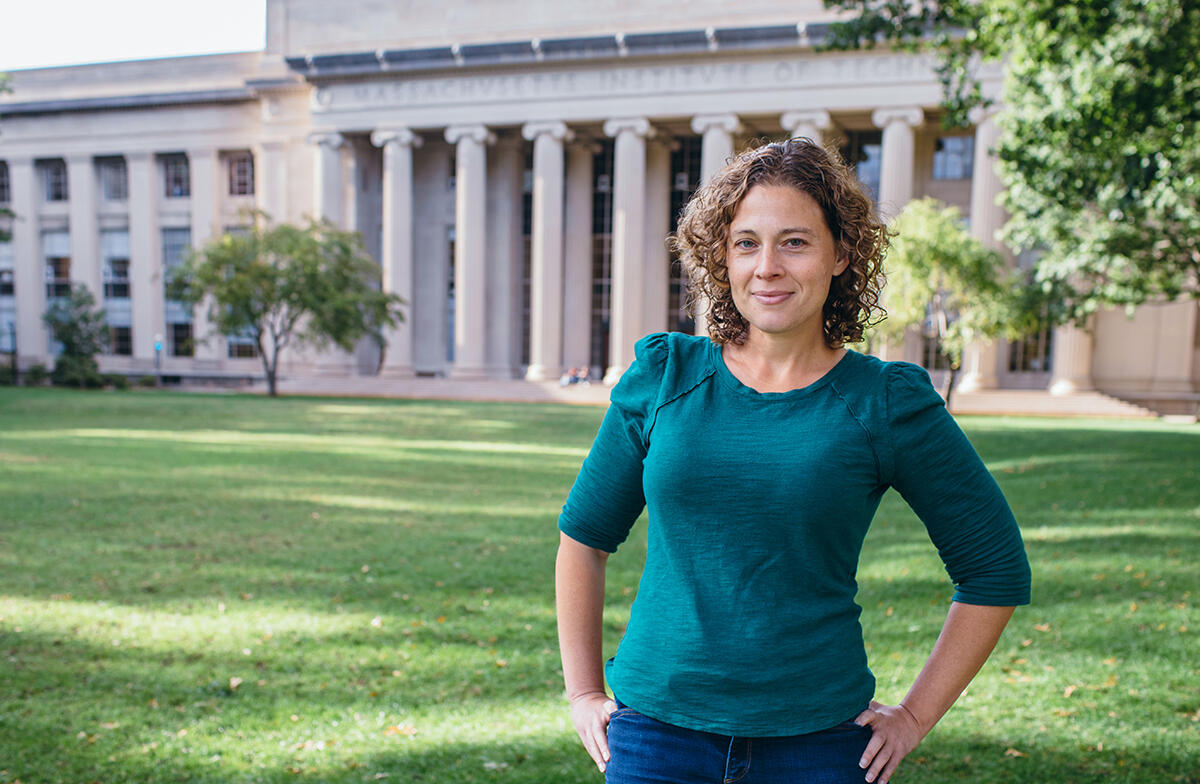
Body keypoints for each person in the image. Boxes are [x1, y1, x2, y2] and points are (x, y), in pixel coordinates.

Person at [555, 138, 1031, 784]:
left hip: (820, 747)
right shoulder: (665, 376)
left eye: (795, 242)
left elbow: (994, 569)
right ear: (721, 257)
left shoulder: (885, 402)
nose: (767, 266)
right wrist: (585, 694)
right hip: (656, 739)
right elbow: (584, 537)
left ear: (840, 255)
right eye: (746, 242)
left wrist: (914, 718)